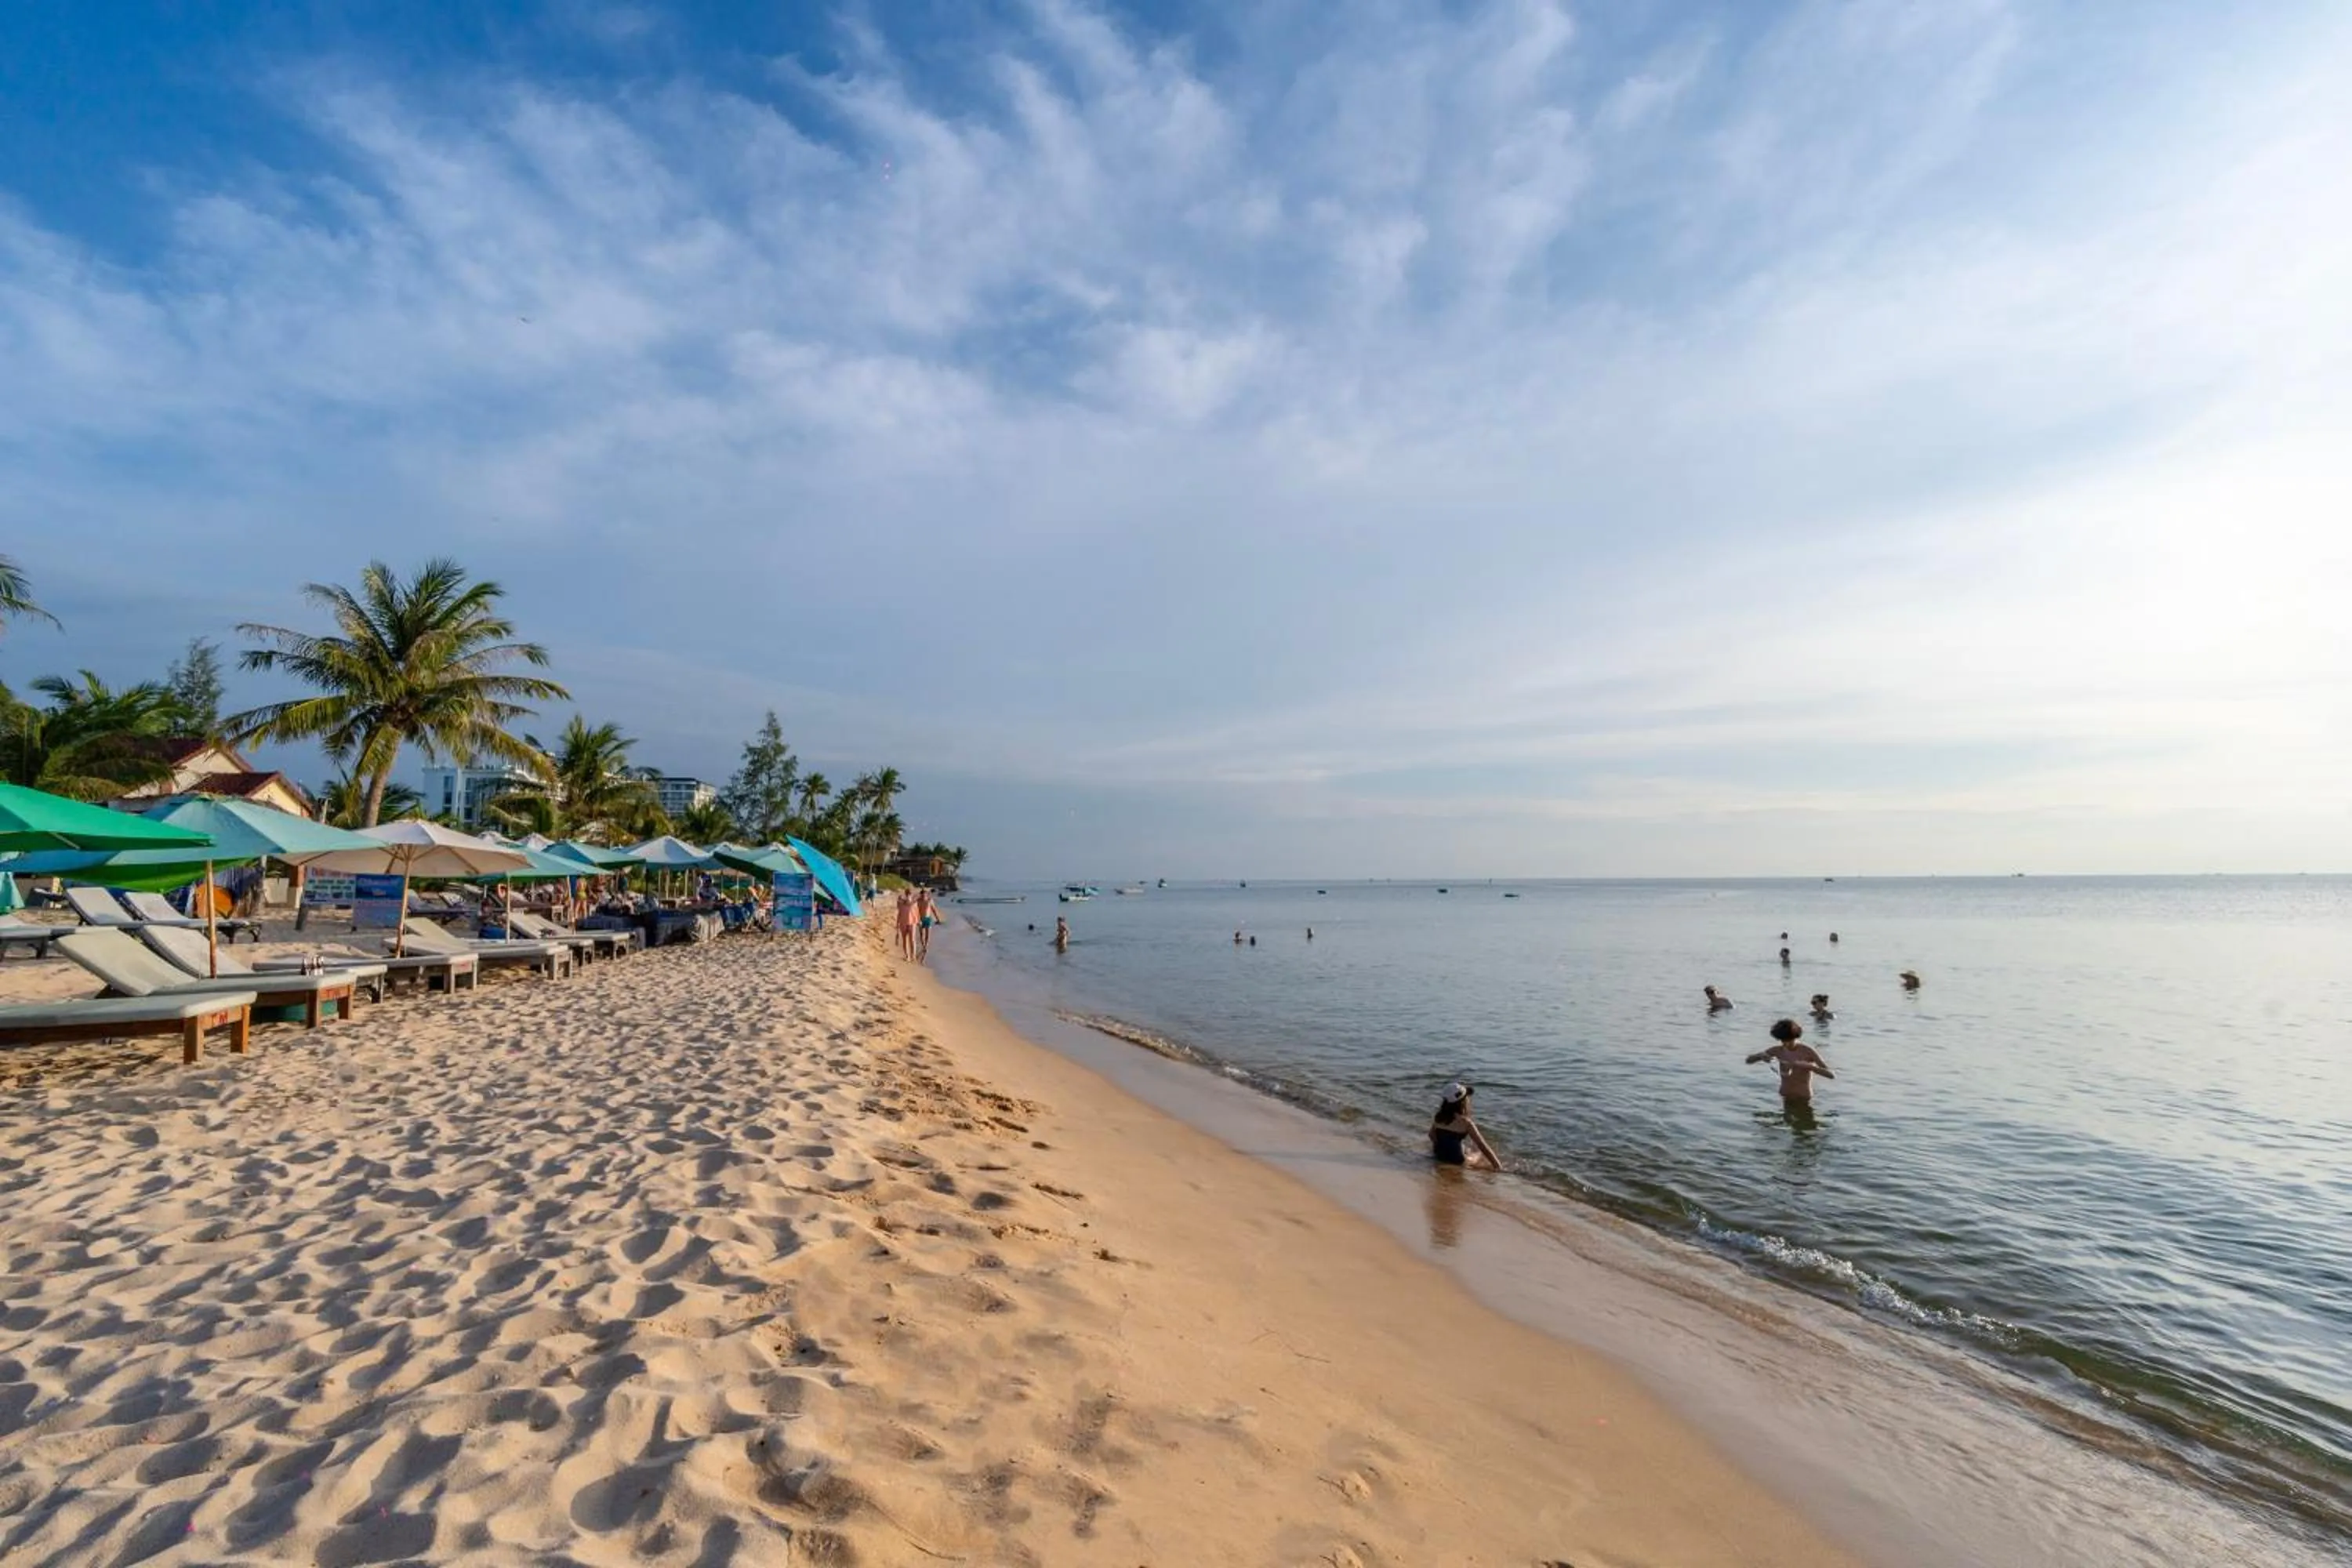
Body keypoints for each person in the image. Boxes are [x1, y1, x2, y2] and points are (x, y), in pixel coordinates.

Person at [1748, 1019, 1835, 1105]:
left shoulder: (1807, 1051)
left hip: (1803, 1098)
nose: (1785, 1044)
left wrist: (1809, 1067)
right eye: (1782, 1040)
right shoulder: (1777, 1050)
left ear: (1795, 1037)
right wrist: (1760, 1056)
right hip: (1785, 1095)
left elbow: (1831, 1075)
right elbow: (1748, 1061)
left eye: (1789, 1040)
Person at [1429, 1083, 1503, 1170]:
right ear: (1463, 1102)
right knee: (1478, 1154)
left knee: (1464, 1148)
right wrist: (1498, 1166)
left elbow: (1431, 1135)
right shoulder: (1466, 1123)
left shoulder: (1439, 1118)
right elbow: (1482, 1146)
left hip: (1439, 1155)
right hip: (1458, 1160)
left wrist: (1441, 1147)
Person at [895, 890, 918, 960]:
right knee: (904, 940)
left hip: (912, 923)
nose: (908, 895)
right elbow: (899, 912)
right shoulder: (901, 903)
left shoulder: (914, 903)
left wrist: (918, 921)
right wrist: (897, 924)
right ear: (905, 894)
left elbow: (916, 911)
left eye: (910, 894)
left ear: (911, 895)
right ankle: (907, 956)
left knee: (912, 940)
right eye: (907, 894)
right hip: (903, 922)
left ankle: (913, 955)